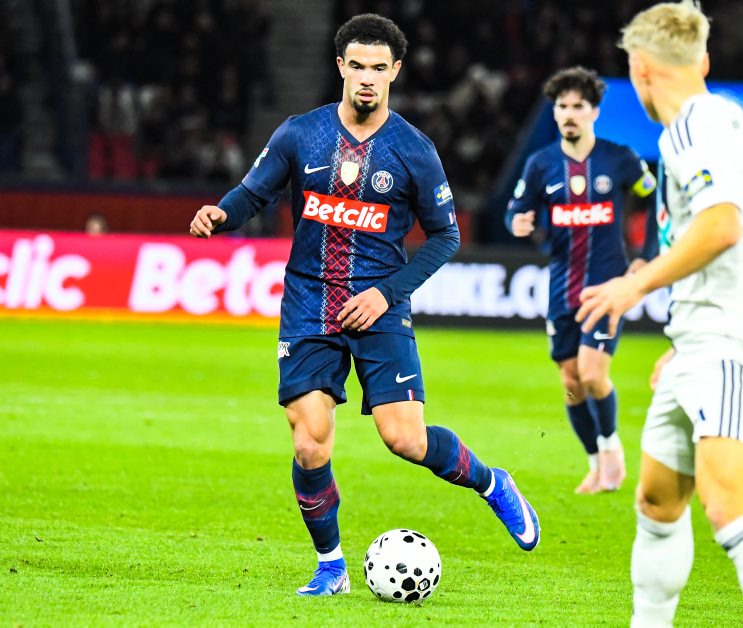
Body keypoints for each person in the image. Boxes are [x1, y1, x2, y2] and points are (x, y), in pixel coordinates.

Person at [188, 13, 540, 597]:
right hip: (310, 302)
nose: (367, 78)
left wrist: (384, 293)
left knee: (405, 439)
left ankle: (491, 483)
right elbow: (253, 193)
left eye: (379, 67)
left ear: (396, 71)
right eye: (357, 66)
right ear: (341, 67)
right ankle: (332, 567)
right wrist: (222, 213)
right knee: (309, 439)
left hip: (380, 305)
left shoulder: (414, 150)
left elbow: (446, 236)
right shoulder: (300, 134)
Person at [576, 2, 743, 625]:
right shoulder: (714, 120)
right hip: (702, 339)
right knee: (656, 502)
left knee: (729, 509)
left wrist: (636, 285)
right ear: (701, 61)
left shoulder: (694, 128)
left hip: (732, 343)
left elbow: (721, 226)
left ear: (641, 69)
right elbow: (711, 234)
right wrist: (683, 337)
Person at [506, 66, 656, 495]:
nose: (569, 114)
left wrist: (645, 257)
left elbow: (654, 197)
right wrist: (517, 222)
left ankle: (611, 452)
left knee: (592, 373)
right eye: (562, 106)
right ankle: (594, 463)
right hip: (561, 289)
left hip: (607, 287)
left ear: (594, 112)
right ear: (555, 113)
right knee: (571, 382)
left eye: (578, 106)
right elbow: (516, 209)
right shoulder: (541, 164)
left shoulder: (620, 159)